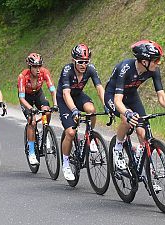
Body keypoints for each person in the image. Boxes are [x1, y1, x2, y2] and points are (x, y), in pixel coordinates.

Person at [104, 40, 165, 170]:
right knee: (126, 120)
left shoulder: (153, 70)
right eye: (156, 60)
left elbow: (161, 95)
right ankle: (118, 147)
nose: (158, 63)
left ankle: (146, 170)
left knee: (143, 132)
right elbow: (117, 101)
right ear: (144, 61)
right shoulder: (125, 68)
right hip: (113, 96)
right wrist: (127, 113)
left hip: (132, 96)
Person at [57, 44, 106, 180]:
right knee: (71, 132)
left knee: (91, 110)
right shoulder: (67, 70)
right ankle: (66, 163)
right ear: (74, 61)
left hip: (78, 95)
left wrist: (107, 104)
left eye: (86, 62)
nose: (83, 65)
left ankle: (90, 135)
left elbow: (99, 88)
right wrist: (73, 110)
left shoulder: (90, 69)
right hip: (64, 99)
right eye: (80, 62)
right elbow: (66, 93)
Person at [18, 53, 58, 165]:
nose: (38, 69)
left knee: (47, 111)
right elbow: (21, 98)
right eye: (35, 67)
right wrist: (31, 108)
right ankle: (31, 152)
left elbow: (53, 90)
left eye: (39, 66)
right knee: (32, 120)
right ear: (29, 67)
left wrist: (55, 104)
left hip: (38, 93)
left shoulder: (45, 72)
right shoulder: (23, 76)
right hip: (26, 97)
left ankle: (45, 133)